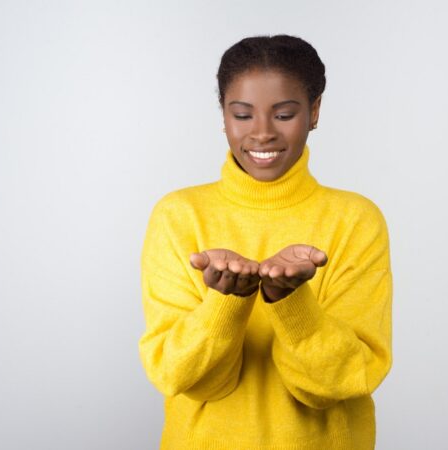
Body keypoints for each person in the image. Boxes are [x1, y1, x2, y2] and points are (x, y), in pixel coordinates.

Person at [139, 34, 393, 449]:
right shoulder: (178, 216)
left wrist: (289, 300)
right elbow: (177, 375)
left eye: (284, 114)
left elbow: (345, 379)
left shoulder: (355, 220)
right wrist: (226, 303)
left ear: (314, 111)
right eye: (242, 114)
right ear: (223, 115)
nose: (261, 133)